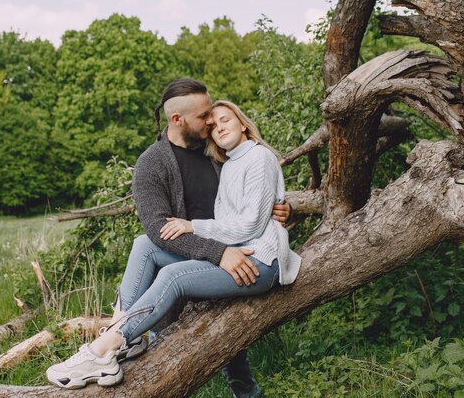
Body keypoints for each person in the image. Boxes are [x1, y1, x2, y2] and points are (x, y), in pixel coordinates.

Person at [46, 79, 299, 396]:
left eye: (215, 115)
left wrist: (283, 210)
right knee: (145, 244)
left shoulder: (216, 152)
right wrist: (218, 252)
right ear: (177, 119)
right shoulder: (152, 164)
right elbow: (158, 230)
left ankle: (111, 341)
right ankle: (122, 334)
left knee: (233, 359)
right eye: (204, 115)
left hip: (235, 254)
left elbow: (251, 203)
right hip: (210, 254)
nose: (210, 122)